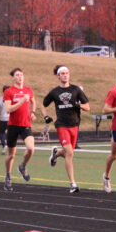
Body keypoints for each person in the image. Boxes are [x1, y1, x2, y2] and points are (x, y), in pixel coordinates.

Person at [41, 65, 90, 193]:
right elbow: (43, 104)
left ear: (69, 75)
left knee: (69, 152)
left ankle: (56, 154)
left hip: (74, 125)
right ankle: (73, 184)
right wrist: (45, 116)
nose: (65, 75)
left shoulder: (76, 90)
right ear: (58, 76)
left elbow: (87, 107)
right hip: (62, 125)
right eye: (62, 73)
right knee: (69, 153)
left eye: (67, 73)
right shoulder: (54, 92)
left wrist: (78, 104)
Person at [3, 68, 36, 191]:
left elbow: (33, 101)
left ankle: (23, 166)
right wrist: (22, 101)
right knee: (11, 155)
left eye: (21, 75)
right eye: (17, 75)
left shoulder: (28, 90)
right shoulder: (9, 91)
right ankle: (8, 176)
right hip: (12, 126)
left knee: (31, 149)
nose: (20, 77)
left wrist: (32, 112)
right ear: (13, 78)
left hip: (25, 124)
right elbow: (8, 109)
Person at [0, 85, 10, 154]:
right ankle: (10, 146)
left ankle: (4, 145)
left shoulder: (0, 99)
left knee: (1, 133)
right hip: (10, 119)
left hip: (3, 119)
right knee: (10, 134)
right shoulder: (12, 99)